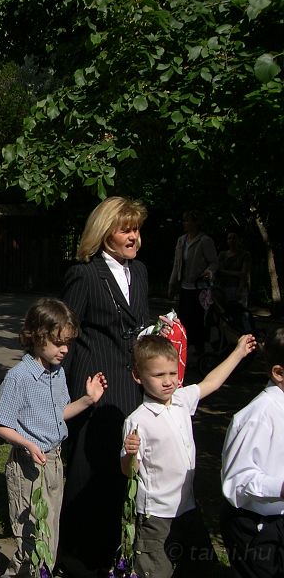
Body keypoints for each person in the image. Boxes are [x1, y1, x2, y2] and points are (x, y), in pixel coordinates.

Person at [57, 196, 152, 574]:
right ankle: (77, 560)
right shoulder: (84, 274)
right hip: (94, 389)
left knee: (124, 469)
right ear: (104, 232)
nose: (133, 237)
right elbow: (64, 333)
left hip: (132, 388)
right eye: (125, 229)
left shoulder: (139, 272)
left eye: (136, 229)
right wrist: (57, 393)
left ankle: (115, 552)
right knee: (89, 472)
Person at [122, 333, 256, 577]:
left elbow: (211, 382)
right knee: (156, 571)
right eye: (158, 375)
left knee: (200, 567)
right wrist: (130, 454)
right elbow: (129, 471)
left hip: (188, 507)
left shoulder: (181, 400)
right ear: (138, 376)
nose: (168, 381)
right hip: (157, 516)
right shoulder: (137, 420)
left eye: (172, 373)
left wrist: (238, 352)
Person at [0, 299, 107, 576]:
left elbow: (58, 414)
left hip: (54, 462)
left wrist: (87, 400)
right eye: (58, 343)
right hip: (28, 466)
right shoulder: (19, 377)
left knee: (50, 536)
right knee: (30, 540)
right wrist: (27, 443)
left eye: (67, 343)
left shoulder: (57, 373)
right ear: (36, 336)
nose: (64, 349)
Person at [220, 327, 284, 578]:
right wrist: (280, 488)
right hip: (254, 526)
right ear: (279, 373)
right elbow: (237, 481)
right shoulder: (258, 415)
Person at [168, 210, 218, 356]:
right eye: (184, 220)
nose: (185, 223)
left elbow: (214, 262)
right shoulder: (181, 240)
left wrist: (209, 271)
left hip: (199, 288)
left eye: (188, 220)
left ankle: (199, 350)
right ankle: (183, 348)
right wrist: (172, 284)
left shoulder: (205, 241)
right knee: (183, 319)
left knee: (198, 321)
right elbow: (177, 264)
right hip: (184, 287)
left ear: (196, 223)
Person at [216, 232, 252, 307]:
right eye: (229, 238)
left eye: (234, 238)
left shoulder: (245, 254)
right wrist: (236, 273)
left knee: (239, 310)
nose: (232, 240)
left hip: (239, 287)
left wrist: (240, 289)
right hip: (223, 287)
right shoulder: (222, 254)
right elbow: (219, 271)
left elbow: (244, 274)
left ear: (238, 240)